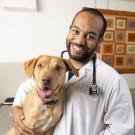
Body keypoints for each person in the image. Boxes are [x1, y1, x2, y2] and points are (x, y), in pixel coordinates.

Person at [11, 8, 134, 135]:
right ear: (69, 31)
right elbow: (23, 94)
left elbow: (122, 131)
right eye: (76, 31)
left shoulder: (114, 81)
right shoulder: (52, 68)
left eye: (90, 36)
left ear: (99, 41)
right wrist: (16, 113)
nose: (80, 41)